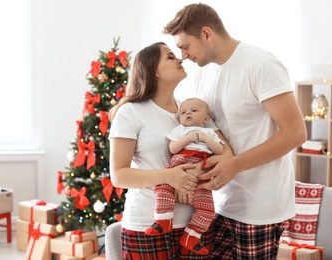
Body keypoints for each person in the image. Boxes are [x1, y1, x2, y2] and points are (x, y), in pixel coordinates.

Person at [163, 3, 307, 260]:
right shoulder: (204, 73)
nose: (183, 56)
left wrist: (235, 165)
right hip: (221, 202)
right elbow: (210, 131)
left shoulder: (261, 65)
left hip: (260, 205)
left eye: (185, 46)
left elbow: (295, 133)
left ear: (207, 34)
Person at [108, 42, 232, 259]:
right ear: (153, 70)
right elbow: (119, 175)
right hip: (147, 226)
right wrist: (170, 176)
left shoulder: (191, 109)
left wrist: (195, 172)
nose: (180, 59)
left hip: (196, 226)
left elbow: (227, 155)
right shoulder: (130, 112)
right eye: (170, 57)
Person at [145, 97, 224, 255]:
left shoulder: (209, 132)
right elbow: (173, 148)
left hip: (201, 174)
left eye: (194, 111)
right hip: (179, 164)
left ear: (206, 119)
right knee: (162, 188)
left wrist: (206, 139)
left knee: (208, 210)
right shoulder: (179, 130)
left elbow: (220, 151)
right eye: (183, 112)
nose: (188, 113)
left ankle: (191, 236)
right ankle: (163, 220)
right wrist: (188, 138)